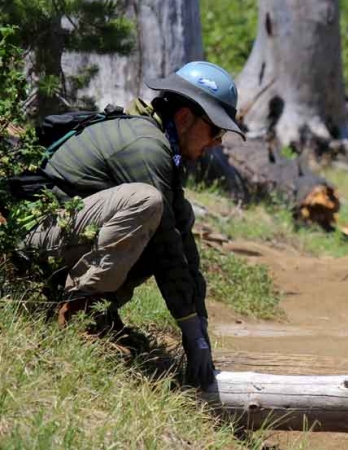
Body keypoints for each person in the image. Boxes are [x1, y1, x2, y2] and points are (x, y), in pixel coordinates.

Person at [22, 61, 245, 389]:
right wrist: (190, 333)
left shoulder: (161, 147)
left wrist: (200, 333)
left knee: (169, 218)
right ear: (184, 118)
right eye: (216, 130)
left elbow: (183, 243)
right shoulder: (146, 146)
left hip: (62, 236)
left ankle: (100, 311)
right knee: (146, 204)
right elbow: (167, 249)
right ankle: (78, 315)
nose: (218, 142)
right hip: (33, 241)